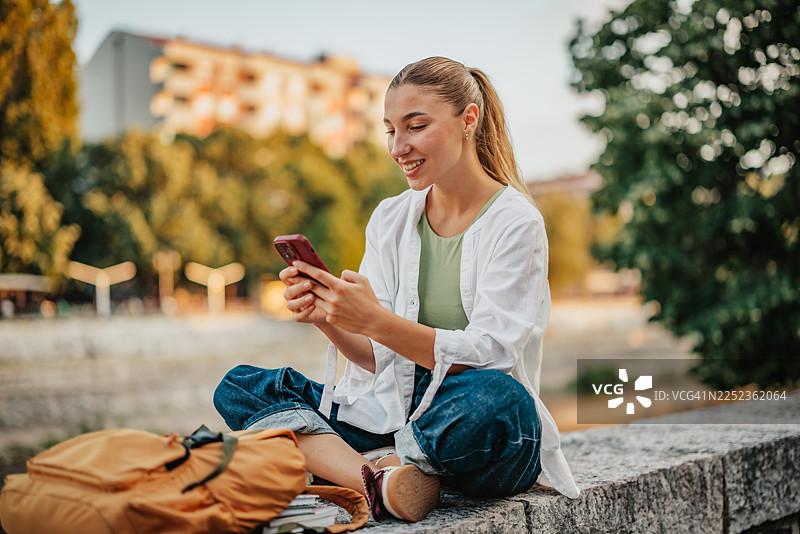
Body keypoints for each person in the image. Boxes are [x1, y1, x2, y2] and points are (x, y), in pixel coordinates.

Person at [214, 56, 580, 523]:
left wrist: (375, 320)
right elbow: (376, 357)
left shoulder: (516, 222)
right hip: (392, 410)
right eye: (390, 130)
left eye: (415, 126)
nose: (398, 146)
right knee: (242, 386)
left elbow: (494, 354)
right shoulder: (390, 217)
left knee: (500, 401)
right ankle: (385, 480)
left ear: (468, 119)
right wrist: (328, 317)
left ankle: (359, 466)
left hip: (467, 417)